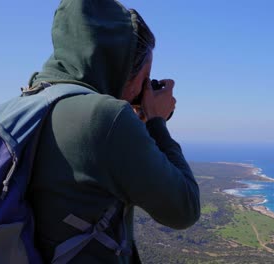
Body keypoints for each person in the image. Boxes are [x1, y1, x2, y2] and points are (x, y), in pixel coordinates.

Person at [28, 0, 201, 263]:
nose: (146, 88)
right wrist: (156, 122)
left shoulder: (31, 102)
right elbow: (184, 209)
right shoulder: (105, 118)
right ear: (119, 67)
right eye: (145, 77)